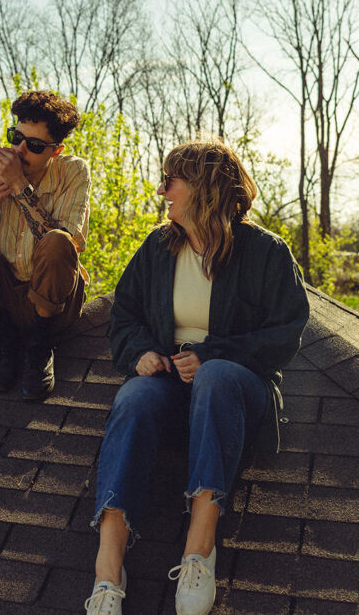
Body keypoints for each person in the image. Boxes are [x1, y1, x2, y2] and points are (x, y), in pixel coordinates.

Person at [84, 140, 310, 615]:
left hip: (237, 390)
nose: (161, 190)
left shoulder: (266, 252)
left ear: (203, 188)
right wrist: (141, 351)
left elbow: (286, 334)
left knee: (217, 377)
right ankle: (108, 572)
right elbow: (123, 315)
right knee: (135, 397)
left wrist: (211, 355)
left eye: (171, 181)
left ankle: (198, 550)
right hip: (169, 383)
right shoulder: (157, 247)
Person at [0, 91, 89, 401]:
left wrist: (20, 188)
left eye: (35, 146)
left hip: (55, 304)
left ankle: (41, 347)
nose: (20, 150)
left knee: (57, 240)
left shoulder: (74, 171)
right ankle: (4, 339)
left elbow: (67, 247)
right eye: (16, 137)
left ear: (56, 150)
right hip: (5, 303)